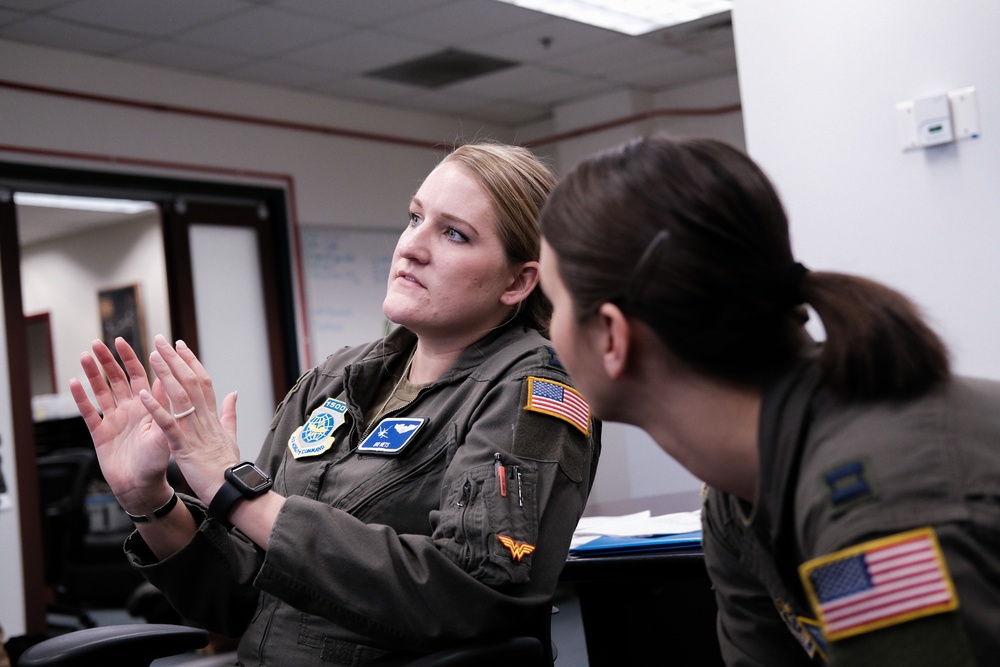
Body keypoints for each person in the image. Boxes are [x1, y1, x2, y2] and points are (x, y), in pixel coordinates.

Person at [70, 142, 601, 665]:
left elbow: (465, 594)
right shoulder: (338, 378)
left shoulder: (533, 388)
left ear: (518, 281)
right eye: (415, 218)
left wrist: (233, 489)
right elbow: (240, 596)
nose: (412, 247)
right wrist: (149, 501)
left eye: (454, 234)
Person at [536, 134, 999, 666]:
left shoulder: (878, 507)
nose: (551, 332)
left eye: (555, 302)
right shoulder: (738, 494)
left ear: (613, 335)